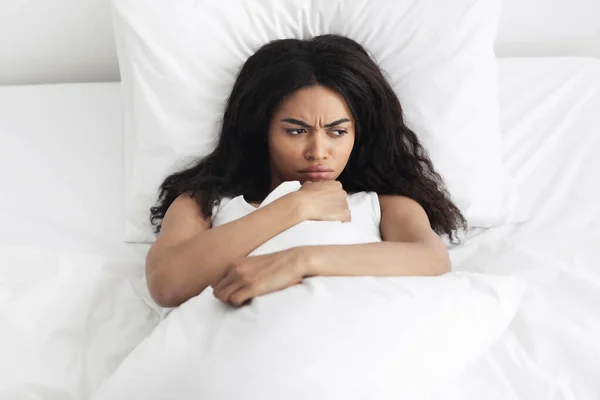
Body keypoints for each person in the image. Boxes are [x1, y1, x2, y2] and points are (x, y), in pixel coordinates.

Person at [146, 34, 466, 309]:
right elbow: (167, 284)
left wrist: (299, 261)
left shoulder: (383, 205)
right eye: (296, 131)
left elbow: (433, 260)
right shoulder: (203, 204)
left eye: (337, 132)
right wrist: (296, 206)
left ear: (359, 134)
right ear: (262, 130)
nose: (317, 152)